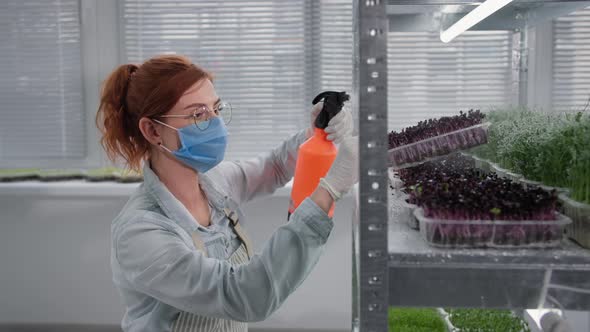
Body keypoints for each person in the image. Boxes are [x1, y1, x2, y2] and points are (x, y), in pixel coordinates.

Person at [96, 54, 358, 332]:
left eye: (216, 109)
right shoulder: (141, 232)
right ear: (152, 131)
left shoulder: (215, 183)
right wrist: (329, 190)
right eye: (198, 114)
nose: (215, 124)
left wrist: (316, 133)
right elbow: (243, 296)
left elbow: (274, 167)